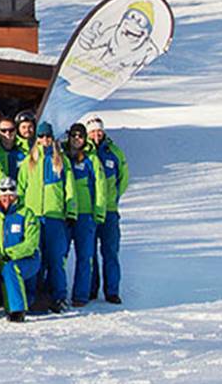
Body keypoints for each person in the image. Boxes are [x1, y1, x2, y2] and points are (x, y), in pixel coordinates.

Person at [17, 121, 74, 313]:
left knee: (56, 259)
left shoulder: (61, 161)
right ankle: (33, 296)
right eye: (41, 137)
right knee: (35, 258)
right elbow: (21, 188)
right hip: (34, 217)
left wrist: (70, 210)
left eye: (48, 136)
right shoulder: (29, 161)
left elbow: (69, 188)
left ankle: (59, 296)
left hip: (54, 216)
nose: (45, 140)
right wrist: (21, 213)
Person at [86, 116, 129, 304]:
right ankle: (90, 288)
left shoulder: (113, 152)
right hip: (88, 210)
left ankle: (112, 290)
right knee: (89, 252)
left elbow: (124, 178)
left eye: (99, 131)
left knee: (110, 251)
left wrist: (114, 197)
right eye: (93, 131)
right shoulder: (83, 152)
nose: (96, 134)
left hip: (109, 210)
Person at [65, 122, 106, 307]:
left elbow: (100, 186)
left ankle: (80, 295)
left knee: (85, 256)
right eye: (73, 136)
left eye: (80, 136)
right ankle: (55, 293)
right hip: (65, 214)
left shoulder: (91, 159)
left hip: (85, 214)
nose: (76, 139)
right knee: (59, 256)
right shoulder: (62, 157)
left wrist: (98, 211)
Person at [0, 177, 40, 322]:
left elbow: (31, 243)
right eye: (4, 193)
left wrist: (11, 254)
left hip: (27, 260)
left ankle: (18, 310)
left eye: (11, 193)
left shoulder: (26, 214)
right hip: (3, 261)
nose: (7, 197)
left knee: (12, 269)